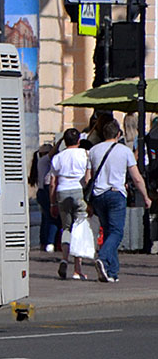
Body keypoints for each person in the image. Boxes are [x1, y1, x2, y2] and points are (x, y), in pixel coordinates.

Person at [87, 118, 152, 283]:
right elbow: (136, 177)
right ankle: (102, 258)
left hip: (98, 195)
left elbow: (88, 177)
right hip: (116, 194)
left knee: (108, 231)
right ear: (118, 134)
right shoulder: (124, 151)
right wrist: (145, 196)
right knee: (117, 232)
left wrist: (88, 201)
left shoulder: (93, 150)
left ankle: (111, 272)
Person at [48, 128, 91, 280]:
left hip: (62, 191)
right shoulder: (85, 154)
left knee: (66, 228)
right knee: (79, 228)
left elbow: (53, 182)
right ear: (79, 140)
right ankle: (77, 268)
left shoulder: (58, 157)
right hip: (79, 191)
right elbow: (87, 178)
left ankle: (64, 259)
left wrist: (53, 203)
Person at [29, 142, 56, 252]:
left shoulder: (39, 162)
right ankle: (50, 242)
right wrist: (59, 142)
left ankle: (43, 242)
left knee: (45, 218)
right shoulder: (45, 160)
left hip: (41, 192)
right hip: (46, 190)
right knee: (52, 218)